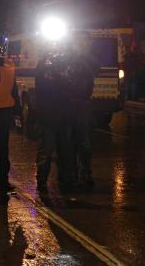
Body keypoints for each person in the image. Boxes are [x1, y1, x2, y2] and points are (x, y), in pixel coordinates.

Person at [34, 47, 73, 193]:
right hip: (48, 116)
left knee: (65, 149)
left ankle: (65, 179)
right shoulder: (43, 67)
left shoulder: (66, 66)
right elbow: (42, 87)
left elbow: (70, 87)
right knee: (46, 149)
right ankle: (42, 180)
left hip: (63, 115)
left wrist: (61, 73)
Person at [66, 31, 100, 187]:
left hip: (83, 103)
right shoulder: (69, 56)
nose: (82, 43)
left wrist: (81, 55)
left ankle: (86, 172)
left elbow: (94, 68)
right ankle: (71, 173)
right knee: (70, 140)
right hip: (68, 102)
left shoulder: (91, 57)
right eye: (79, 41)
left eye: (85, 41)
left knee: (84, 141)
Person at [0, 51, 21, 202]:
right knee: (2, 148)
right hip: (5, 111)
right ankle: (2, 180)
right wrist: (18, 112)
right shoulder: (10, 68)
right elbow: (14, 91)